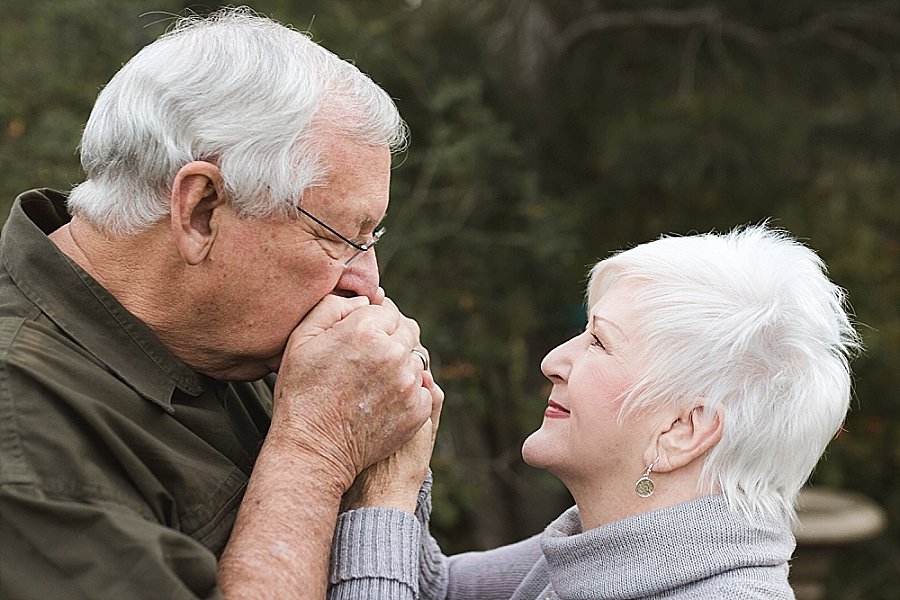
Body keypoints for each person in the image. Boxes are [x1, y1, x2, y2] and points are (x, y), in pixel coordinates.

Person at [0, 7, 444, 599]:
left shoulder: (224, 333)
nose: (368, 283)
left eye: (371, 239)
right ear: (202, 208)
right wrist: (315, 449)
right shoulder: (26, 437)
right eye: (338, 237)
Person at [327, 224, 860, 599]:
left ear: (682, 430)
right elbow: (436, 591)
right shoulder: (603, 551)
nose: (553, 361)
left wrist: (387, 500)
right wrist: (398, 462)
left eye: (599, 343)